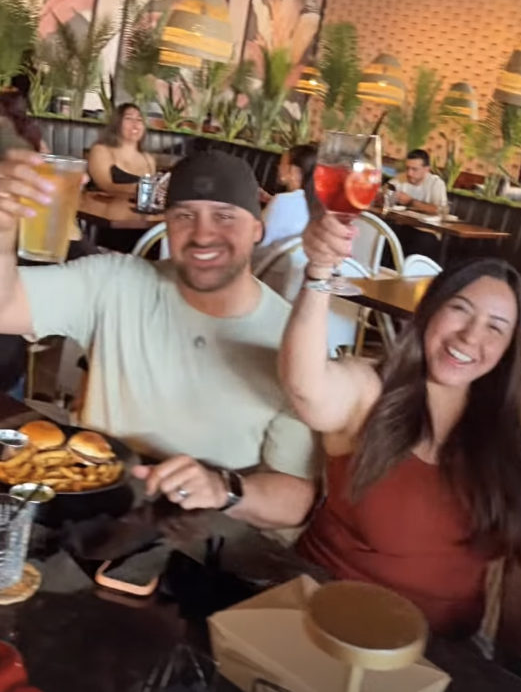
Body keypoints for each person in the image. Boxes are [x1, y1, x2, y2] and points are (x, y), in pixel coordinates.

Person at [279, 213, 521, 650]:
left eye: (495, 329)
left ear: (507, 349)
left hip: (435, 651)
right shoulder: (373, 390)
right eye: (459, 310)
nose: (468, 338)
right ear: (429, 312)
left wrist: (509, 664)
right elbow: (306, 388)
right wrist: (319, 273)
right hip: (320, 622)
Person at [0, 149, 316, 529]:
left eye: (224, 216)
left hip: (198, 538)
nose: (203, 233)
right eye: (185, 215)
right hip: (86, 512)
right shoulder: (113, 282)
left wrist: (223, 490)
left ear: (257, 229)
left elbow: (295, 499)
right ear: (166, 223)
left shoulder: (296, 342)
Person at [88, 103, 156, 196]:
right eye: (128, 118)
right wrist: (139, 188)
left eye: (139, 120)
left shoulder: (149, 159)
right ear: (117, 124)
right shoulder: (101, 150)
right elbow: (105, 185)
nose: (135, 123)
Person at [259, 145, 317, 250]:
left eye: (282, 163)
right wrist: (271, 201)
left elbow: (257, 239)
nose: (278, 166)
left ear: (294, 171)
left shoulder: (282, 201)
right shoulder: (315, 204)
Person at [391, 149, 447, 215]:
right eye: (407, 168)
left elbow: (440, 211)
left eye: (414, 169)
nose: (409, 173)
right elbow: (384, 194)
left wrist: (411, 202)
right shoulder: (400, 178)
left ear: (427, 170)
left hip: (424, 225)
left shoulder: (436, 183)